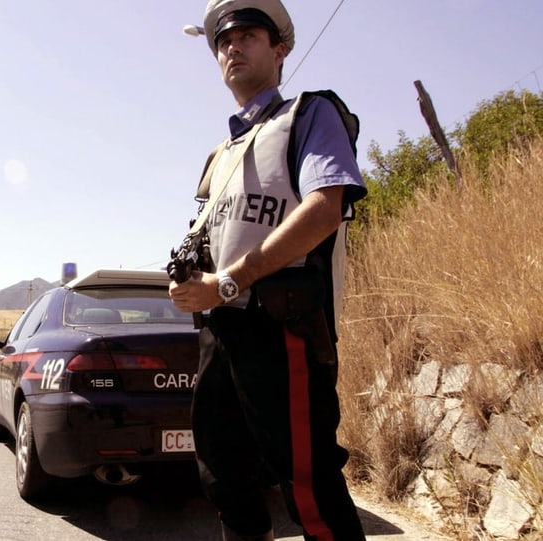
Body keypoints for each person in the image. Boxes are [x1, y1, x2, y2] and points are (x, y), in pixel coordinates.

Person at [168, 1, 367, 540]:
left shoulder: (308, 114)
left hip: (281, 330)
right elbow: (211, 244)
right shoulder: (220, 155)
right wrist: (192, 283)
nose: (232, 46)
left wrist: (230, 280)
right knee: (225, 480)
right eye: (223, 42)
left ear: (279, 51)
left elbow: (325, 207)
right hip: (220, 334)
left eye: (249, 36)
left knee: (309, 487)